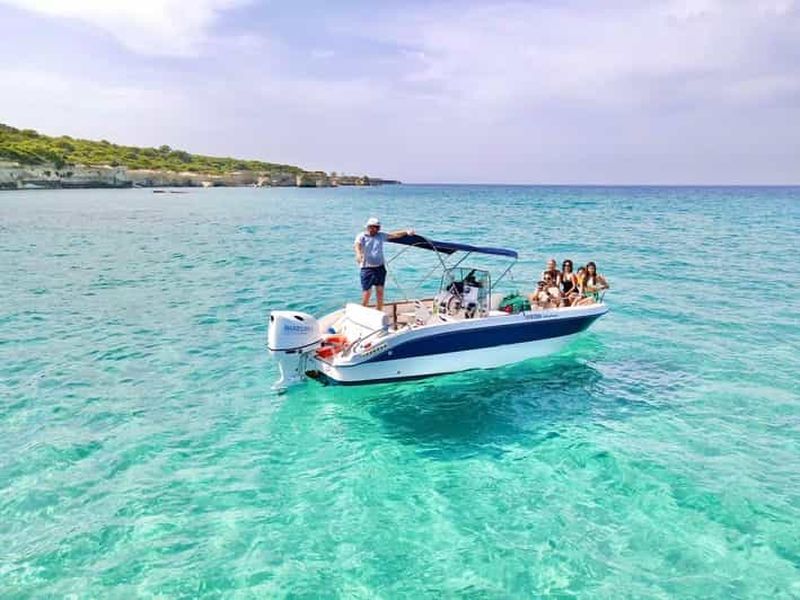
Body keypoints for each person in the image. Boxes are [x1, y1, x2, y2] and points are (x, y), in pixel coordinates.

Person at [354, 217, 414, 311]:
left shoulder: (380, 236)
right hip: (367, 269)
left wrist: (406, 232)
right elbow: (357, 245)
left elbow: (394, 235)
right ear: (369, 227)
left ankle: (379, 311)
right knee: (367, 294)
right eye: (374, 227)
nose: (376, 229)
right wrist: (358, 254)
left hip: (380, 268)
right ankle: (363, 311)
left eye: (378, 227)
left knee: (380, 292)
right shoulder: (362, 236)